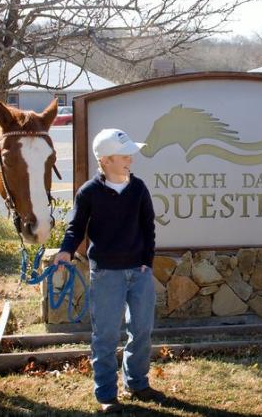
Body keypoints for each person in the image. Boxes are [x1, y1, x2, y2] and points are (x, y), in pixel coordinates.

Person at [54, 128, 161, 413]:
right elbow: (76, 227)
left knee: (141, 331)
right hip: (106, 274)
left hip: (138, 273)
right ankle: (105, 394)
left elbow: (148, 227)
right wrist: (66, 249)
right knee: (106, 336)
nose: (131, 160)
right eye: (125, 156)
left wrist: (146, 262)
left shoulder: (138, 188)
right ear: (106, 160)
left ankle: (137, 383)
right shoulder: (88, 192)